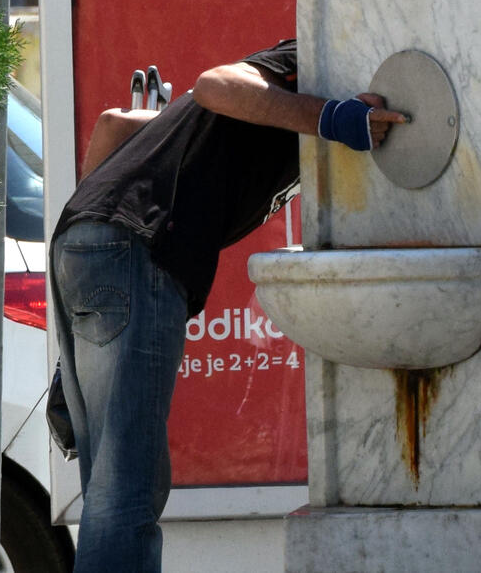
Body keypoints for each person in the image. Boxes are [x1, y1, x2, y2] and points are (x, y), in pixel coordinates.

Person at [49, 38, 407, 572]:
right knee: (128, 490)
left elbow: (109, 126)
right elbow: (216, 85)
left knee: (109, 482)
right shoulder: (311, 57)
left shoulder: (236, 126)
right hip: (136, 249)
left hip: (83, 240)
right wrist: (331, 116)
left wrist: (102, 262)